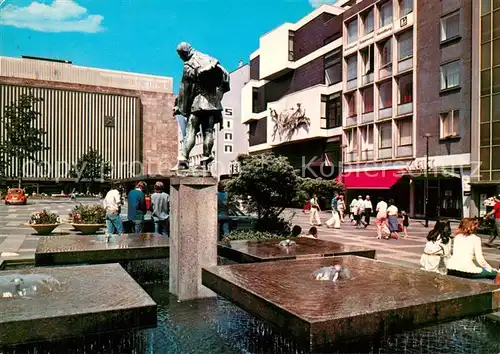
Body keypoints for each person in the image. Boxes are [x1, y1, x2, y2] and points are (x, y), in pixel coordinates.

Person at [171, 42, 230, 171]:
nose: (181, 58)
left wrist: (180, 108)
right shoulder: (208, 58)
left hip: (198, 103)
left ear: (184, 53)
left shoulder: (188, 65)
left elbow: (185, 90)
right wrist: (219, 95)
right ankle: (206, 159)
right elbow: (225, 75)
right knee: (208, 131)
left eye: (180, 55)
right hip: (212, 103)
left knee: (191, 130)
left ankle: (183, 159)